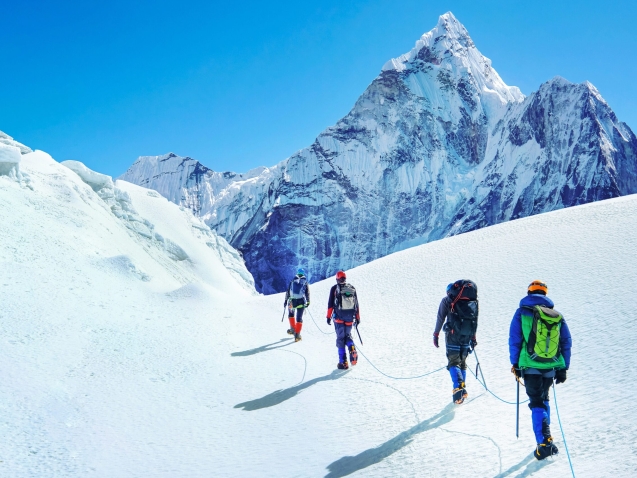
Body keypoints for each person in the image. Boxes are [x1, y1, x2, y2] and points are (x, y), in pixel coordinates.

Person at [509, 280, 572, 461]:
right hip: (551, 366)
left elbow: (514, 339)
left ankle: (544, 443)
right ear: (545, 294)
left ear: (529, 293)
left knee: (536, 402)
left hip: (530, 365)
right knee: (544, 399)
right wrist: (563, 367)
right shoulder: (557, 315)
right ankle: (547, 436)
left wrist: (515, 364)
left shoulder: (522, 312)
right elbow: (566, 342)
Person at [433, 280, 478, 404]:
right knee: (462, 362)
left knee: (453, 362)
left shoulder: (447, 300)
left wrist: (436, 334)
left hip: (453, 334)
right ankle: (462, 390)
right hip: (467, 334)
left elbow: (440, 317)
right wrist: (473, 337)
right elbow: (474, 319)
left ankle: (458, 388)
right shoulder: (471, 302)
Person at [326, 270, 360, 370]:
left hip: (339, 318)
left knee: (340, 339)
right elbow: (357, 305)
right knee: (347, 336)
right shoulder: (351, 288)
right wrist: (357, 318)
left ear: (337, 279)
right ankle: (351, 348)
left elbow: (330, 305)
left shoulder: (334, 288)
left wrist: (328, 317)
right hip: (350, 317)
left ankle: (343, 362)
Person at [284, 268, 310, 342]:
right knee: (299, 318)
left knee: (291, 315)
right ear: (303, 274)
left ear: (297, 273)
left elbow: (288, 292)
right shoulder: (305, 282)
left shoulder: (292, 281)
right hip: (301, 302)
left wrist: (285, 301)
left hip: (292, 301)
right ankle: (297, 335)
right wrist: (308, 302)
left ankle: (292, 329)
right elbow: (307, 293)